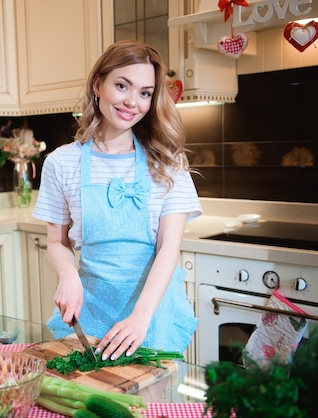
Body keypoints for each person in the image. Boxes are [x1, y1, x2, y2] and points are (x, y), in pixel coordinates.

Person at [33, 40, 202, 362]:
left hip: (153, 314)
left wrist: (141, 316)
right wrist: (68, 276)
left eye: (145, 93)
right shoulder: (61, 163)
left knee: (150, 408)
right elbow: (56, 242)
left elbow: (169, 248)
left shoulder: (168, 163)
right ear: (98, 85)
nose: (132, 102)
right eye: (122, 85)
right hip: (92, 311)